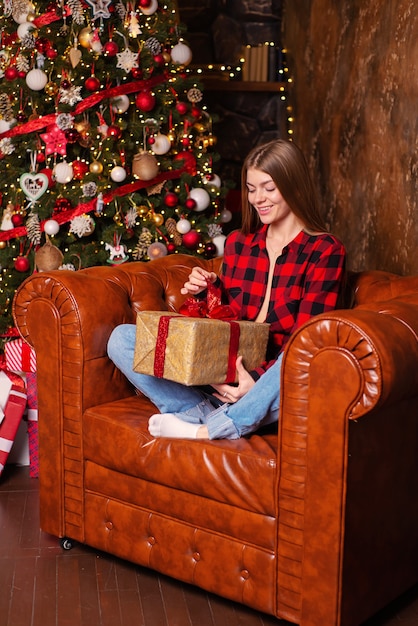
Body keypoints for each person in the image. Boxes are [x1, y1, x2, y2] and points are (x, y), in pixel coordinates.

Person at [107, 139, 346, 440]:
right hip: (220, 376)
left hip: (272, 384)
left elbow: (307, 340)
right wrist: (207, 291)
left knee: (304, 355)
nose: (258, 198)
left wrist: (254, 383)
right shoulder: (239, 243)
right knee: (121, 339)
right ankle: (201, 414)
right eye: (251, 188)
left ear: (294, 185)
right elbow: (225, 323)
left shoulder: (325, 250)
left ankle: (208, 430)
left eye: (269, 188)